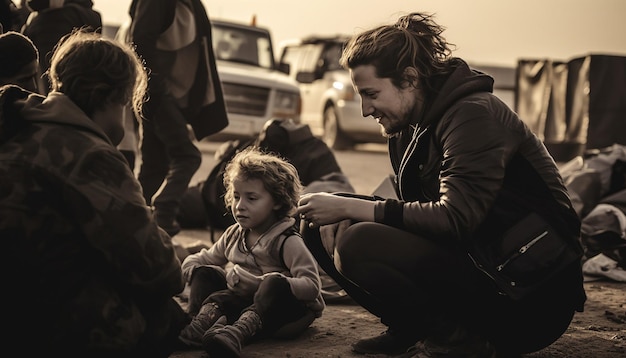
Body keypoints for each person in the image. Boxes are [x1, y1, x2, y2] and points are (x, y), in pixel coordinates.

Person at [297, 12, 587, 358]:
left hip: (529, 300)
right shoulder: (407, 126)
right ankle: (414, 327)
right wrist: (345, 208)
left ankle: (459, 340)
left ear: (409, 79)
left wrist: (354, 209)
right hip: (476, 266)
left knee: (359, 238)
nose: (364, 109)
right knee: (316, 221)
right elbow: (416, 216)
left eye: (371, 94)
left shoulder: (474, 114)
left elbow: (455, 219)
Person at [0, 30, 189, 357]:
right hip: (46, 330)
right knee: (164, 313)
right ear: (114, 96)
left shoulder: (19, 128)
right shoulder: (89, 154)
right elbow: (160, 273)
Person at [177, 146, 325, 357]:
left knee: (274, 283)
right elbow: (204, 257)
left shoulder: (286, 241)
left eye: (251, 198)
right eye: (236, 196)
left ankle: (236, 333)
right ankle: (195, 326)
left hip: (285, 311)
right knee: (206, 272)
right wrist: (190, 268)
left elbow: (311, 287)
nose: (240, 206)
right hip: (243, 302)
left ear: (277, 201)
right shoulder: (234, 234)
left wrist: (261, 283)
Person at [129, 0, 228, 237]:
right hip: (159, 95)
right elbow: (140, 42)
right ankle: (163, 211)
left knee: (154, 166)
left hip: (166, 95)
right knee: (188, 156)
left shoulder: (190, 3)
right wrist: (158, 89)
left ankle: (139, 228)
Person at [21, 0, 102, 94]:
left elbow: (45, 71)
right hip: (85, 93)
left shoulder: (49, 19)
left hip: (55, 94)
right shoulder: (89, 15)